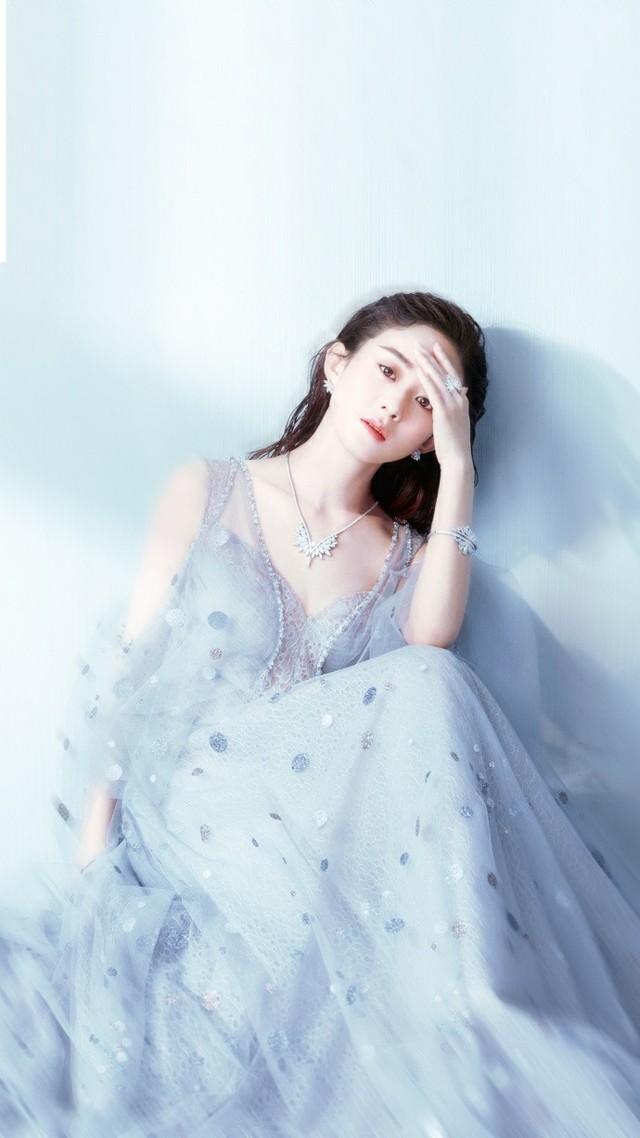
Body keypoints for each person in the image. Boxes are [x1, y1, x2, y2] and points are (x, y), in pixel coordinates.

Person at [1, 291, 640, 1138]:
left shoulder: (404, 553)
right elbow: (129, 674)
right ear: (336, 365)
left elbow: (431, 644)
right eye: (387, 370)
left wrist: (458, 471)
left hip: (318, 824)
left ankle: (475, 1008)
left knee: (429, 680)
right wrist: (93, 859)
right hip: (195, 803)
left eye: (428, 402)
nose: (396, 405)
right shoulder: (208, 489)